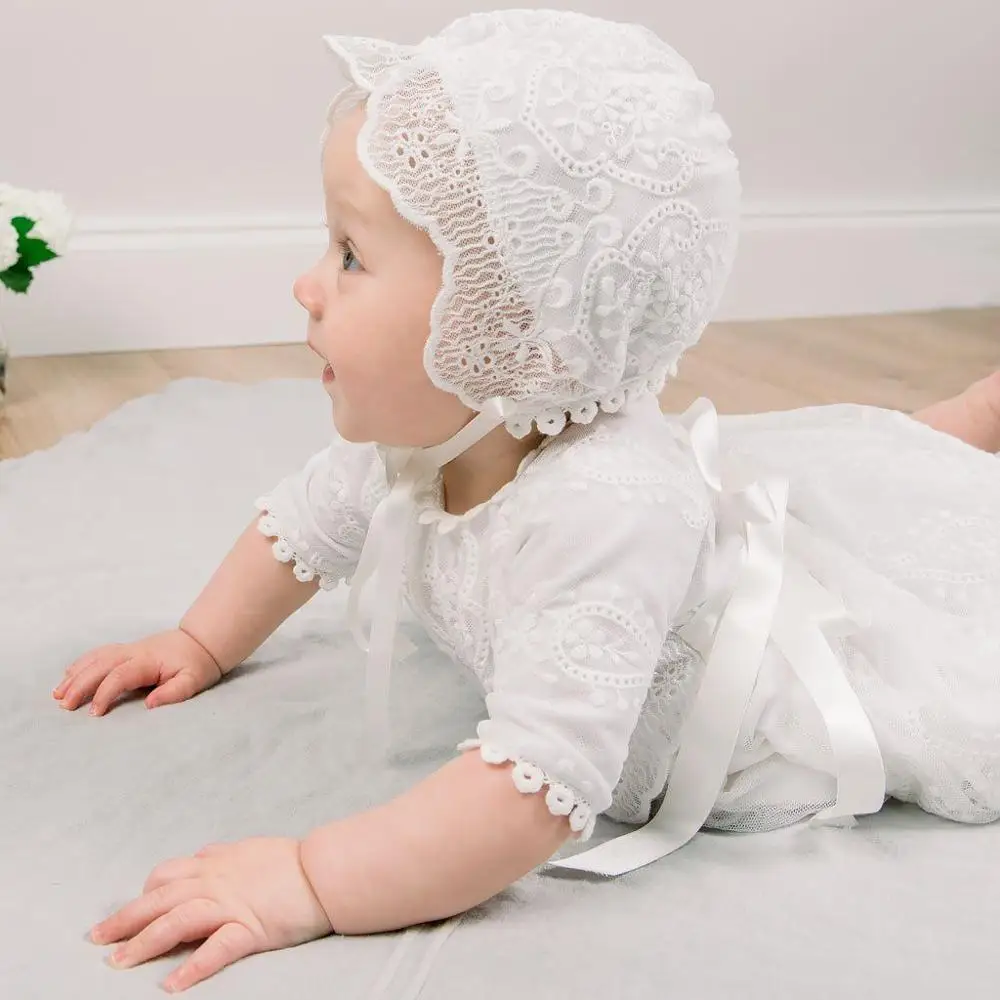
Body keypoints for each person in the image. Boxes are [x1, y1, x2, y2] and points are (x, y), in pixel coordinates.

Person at [50, 9, 1000, 993]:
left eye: (350, 255)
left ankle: (964, 427)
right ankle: (962, 421)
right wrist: (199, 640)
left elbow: (532, 793)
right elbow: (299, 526)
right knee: (836, 480)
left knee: (911, 556)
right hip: (662, 540)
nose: (306, 284)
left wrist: (309, 879)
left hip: (751, 719)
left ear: (507, 327)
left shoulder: (607, 508)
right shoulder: (424, 441)